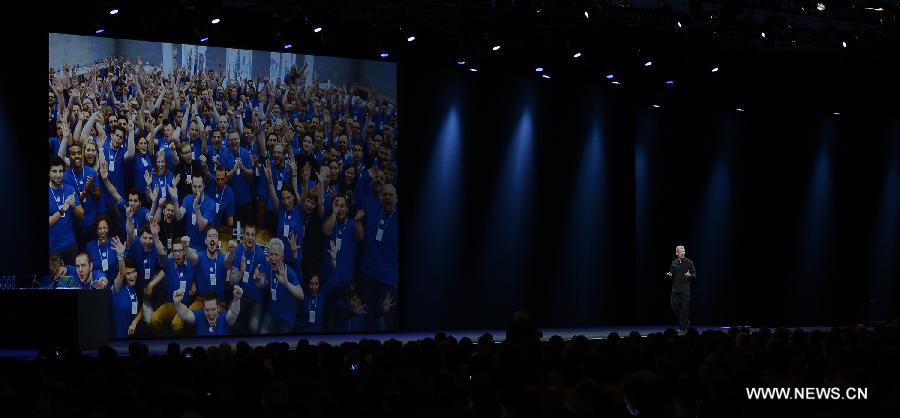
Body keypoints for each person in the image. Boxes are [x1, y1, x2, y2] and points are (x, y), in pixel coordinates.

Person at [358, 184, 398, 331]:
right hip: (368, 274)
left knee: (385, 318)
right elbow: (360, 196)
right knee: (367, 317)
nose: (387, 197)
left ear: (396, 198)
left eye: (390, 195)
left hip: (387, 280)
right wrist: (367, 178)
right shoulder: (374, 209)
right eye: (385, 194)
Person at [146, 231, 196, 336]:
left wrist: (194, 284)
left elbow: (198, 275)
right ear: (172, 252)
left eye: (180, 251)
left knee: (176, 324)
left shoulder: (192, 263)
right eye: (175, 251)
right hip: (170, 304)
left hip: (185, 305)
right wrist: (152, 284)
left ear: (184, 251)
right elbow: (162, 262)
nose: (177, 254)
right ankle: (163, 343)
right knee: (153, 319)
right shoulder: (168, 263)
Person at [255, 238, 304, 334]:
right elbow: (262, 284)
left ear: (282, 257)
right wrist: (257, 279)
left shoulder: (289, 272)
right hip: (271, 313)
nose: (273, 258)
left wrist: (286, 283)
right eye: (271, 254)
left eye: (276, 255)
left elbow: (301, 295)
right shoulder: (267, 265)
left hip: (286, 319)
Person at [230, 223, 267, 334]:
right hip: (240, 295)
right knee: (230, 319)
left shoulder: (261, 254)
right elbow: (232, 282)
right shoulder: (238, 250)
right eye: (247, 234)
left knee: (253, 327)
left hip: (256, 298)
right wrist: (241, 271)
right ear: (243, 235)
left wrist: (256, 279)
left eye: (252, 235)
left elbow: (264, 285)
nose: (250, 237)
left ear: (255, 237)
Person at [49, 156, 85, 264]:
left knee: (73, 276)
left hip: (71, 243)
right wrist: (62, 210)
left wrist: (73, 205)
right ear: (49, 173)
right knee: (57, 279)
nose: (58, 175)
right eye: (54, 171)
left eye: (61, 171)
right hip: (53, 247)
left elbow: (82, 215)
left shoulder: (70, 190)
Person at [109, 237, 145, 338]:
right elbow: (121, 272)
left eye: (134, 272)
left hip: (134, 333)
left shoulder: (138, 288)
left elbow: (141, 309)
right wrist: (120, 256)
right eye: (128, 273)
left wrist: (134, 323)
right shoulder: (117, 287)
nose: (132, 276)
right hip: (119, 338)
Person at [172, 287, 243, 336]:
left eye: (213, 309)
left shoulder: (225, 317)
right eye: (207, 310)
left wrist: (237, 299)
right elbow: (185, 314)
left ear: (218, 308)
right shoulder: (199, 315)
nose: (210, 313)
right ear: (203, 308)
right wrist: (177, 303)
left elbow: (234, 313)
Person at [176, 175, 217, 254]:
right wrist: (175, 200)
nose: (197, 190)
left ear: (204, 186)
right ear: (191, 186)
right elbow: (178, 216)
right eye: (194, 187)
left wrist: (196, 206)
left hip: (204, 247)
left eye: (199, 187)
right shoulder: (188, 198)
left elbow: (201, 226)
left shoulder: (211, 203)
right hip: (189, 245)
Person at [666, 245, 696, 332]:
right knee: (673, 306)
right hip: (675, 289)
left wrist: (689, 275)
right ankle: (685, 321)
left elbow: (694, 275)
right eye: (681, 251)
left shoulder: (689, 262)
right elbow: (670, 272)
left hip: (685, 290)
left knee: (685, 308)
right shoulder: (673, 263)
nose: (683, 253)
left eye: (684, 251)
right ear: (677, 253)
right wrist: (669, 275)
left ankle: (684, 327)